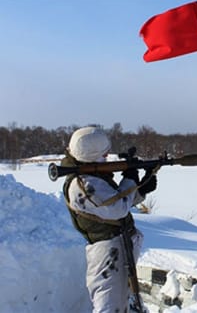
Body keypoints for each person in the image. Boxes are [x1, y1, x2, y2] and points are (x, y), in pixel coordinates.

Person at [61, 126, 156, 312]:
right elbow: (116, 208)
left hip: (117, 246)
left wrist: (141, 189)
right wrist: (130, 178)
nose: (106, 158)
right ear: (91, 155)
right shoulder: (83, 184)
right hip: (106, 253)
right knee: (108, 305)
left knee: (121, 300)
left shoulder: (92, 176)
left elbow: (116, 199)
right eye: (104, 155)